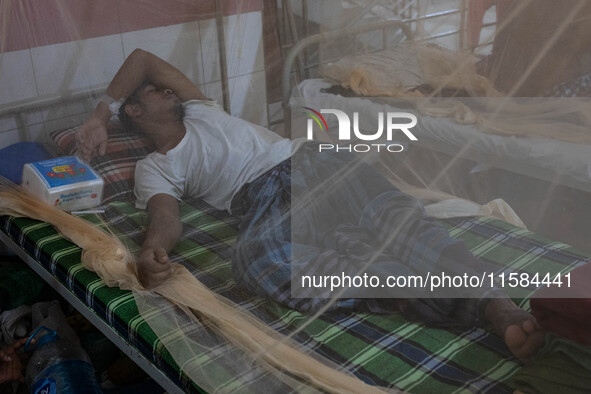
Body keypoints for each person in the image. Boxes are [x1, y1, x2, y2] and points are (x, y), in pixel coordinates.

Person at [76, 49, 544, 361]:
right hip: (261, 201)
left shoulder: (202, 109)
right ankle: (408, 283)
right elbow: (164, 216)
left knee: (398, 219)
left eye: (166, 87)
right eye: (154, 93)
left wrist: (101, 110)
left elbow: (142, 60)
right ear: (134, 113)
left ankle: (495, 305)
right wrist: (153, 251)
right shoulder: (154, 167)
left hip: (309, 161)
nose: (167, 89)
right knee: (257, 261)